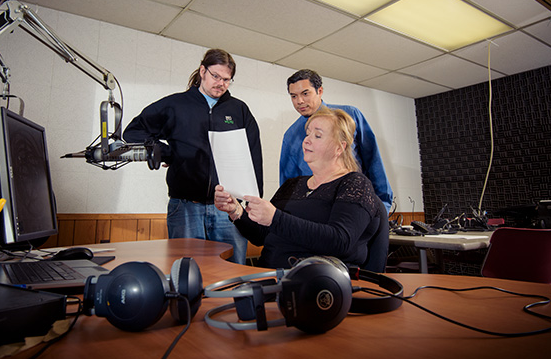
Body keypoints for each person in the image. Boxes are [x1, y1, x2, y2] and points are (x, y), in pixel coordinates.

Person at [123, 49, 263, 264]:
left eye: (227, 79)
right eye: (216, 76)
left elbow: (253, 155)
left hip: (228, 208)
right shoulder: (176, 105)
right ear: (202, 71)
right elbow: (133, 132)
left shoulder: (239, 110)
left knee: (234, 272)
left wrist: (254, 202)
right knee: (186, 275)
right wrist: (166, 152)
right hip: (186, 207)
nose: (221, 83)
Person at [215, 107, 389, 271]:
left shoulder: (354, 184)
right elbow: (261, 236)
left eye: (318, 136)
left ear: (339, 147)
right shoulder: (293, 184)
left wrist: (275, 218)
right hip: (268, 277)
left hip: (317, 284)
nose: (307, 139)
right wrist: (236, 211)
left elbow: (340, 240)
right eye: (307, 134)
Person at [280, 69, 393, 211]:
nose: (299, 101)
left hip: (357, 208)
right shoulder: (291, 136)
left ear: (319, 91)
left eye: (305, 93)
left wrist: (382, 208)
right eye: (293, 96)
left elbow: (373, 162)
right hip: (317, 214)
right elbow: (288, 185)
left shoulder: (350, 116)